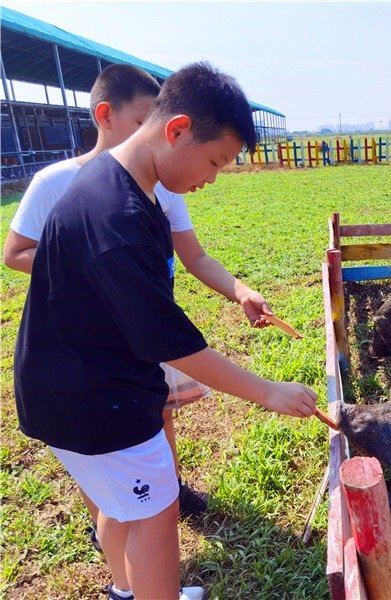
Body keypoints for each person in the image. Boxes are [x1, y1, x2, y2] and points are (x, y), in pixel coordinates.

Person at [13, 61, 318, 600]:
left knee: (119, 503)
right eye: (214, 161)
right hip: (97, 399)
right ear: (177, 129)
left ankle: (125, 590)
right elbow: (173, 342)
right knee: (156, 509)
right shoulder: (118, 219)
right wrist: (268, 391)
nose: (211, 178)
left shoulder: (122, 184)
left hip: (68, 383)